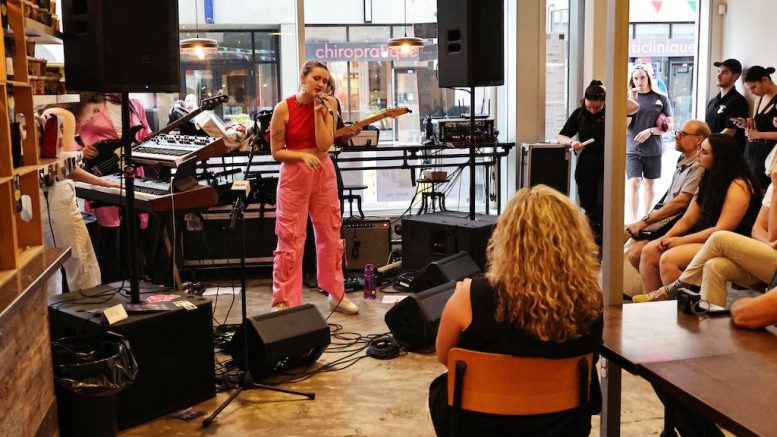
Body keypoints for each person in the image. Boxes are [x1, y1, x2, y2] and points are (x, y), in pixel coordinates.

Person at [429, 185, 603, 436]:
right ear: (575, 239)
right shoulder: (590, 298)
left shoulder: (469, 296)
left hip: (480, 426)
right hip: (561, 427)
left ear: (507, 237)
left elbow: (445, 356)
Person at [269, 60, 358, 314]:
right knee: (290, 238)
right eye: (316, 78)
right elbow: (276, 152)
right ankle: (284, 300)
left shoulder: (330, 104)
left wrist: (321, 111)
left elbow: (324, 144)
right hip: (294, 176)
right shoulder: (283, 109)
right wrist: (300, 157)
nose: (321, 84)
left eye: (325, 81)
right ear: (303, 78)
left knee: (331, 234)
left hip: (323, 171)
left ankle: (336, 294)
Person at [640, 150, 777, 307]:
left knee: (715, 239)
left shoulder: (740, 184)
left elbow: (724, 229)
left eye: (704, 152)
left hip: (744, 249)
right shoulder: (707, 179)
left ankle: (675, 288)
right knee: (713, 265)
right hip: (763, 251)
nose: (698, 154)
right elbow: (757, 228)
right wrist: (668, 237)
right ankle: (706, 322)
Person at [39, 95, 121, 293]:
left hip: (41, 198)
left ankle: (54, 317)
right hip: (57, 196)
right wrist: (104, 182)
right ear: (82, 103)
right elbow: (67, 169)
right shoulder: (65, 115)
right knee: (82, 262)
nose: (92, 118)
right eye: (93, 111)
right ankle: (89, 314)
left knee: (50, 266)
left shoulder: (47, 113)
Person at [621, 120, 708, 296]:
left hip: (676, 224)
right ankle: (631, 291)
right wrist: (645, 219)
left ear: (699, 139)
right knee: (617, 233)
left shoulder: (699, 166)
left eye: (682, 134)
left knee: (636, 252)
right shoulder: (683, 159)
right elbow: (669, 198)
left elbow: (681, 203)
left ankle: (656, 295)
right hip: (667, 220)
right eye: (677, 132)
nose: (676, 137)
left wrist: (646, 221)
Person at [77, 93, 153, 283]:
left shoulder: (134, 105)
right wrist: (79, 150)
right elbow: (70, 132)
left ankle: (135, 279)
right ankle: (110, 281)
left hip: (131, 170)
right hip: (100, 170)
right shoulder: (93, 103)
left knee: (133, 227)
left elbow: (146, 134)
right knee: (108, 232)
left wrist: (148, 143)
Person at [557, 79, 639, 244]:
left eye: (597, 107)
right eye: (589, 106)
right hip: (587, 164)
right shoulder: (579, 114)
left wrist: (608, 92)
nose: (593, 110)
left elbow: (634, 107)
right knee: (589, 207)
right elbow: (561, 136)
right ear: (584, 101)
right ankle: (591, 242)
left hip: (608, 163)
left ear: (604, 101)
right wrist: (572, 142)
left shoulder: (612, 111)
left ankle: (605, 244)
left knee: (604, 205)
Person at [302, 80, 361, 289]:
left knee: (333, 220)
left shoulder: (333, 106)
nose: (325, 90)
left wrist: (349, 134)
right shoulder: (299, 106)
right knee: (307, 225)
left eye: (328, 87)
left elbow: (337, 137)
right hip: (304, 168)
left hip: (328, 166)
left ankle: (333, 274)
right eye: (321, 85)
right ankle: (309, 270)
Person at [626, 64, 674, 223]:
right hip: (632, 148)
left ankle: (645, 218)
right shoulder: (629, 99)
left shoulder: (661, 98)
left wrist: (651, 131)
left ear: (648, 78)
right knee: (634, 182)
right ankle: (633, 221)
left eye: (642, 77)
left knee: (649, 184)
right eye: (635, 78)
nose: (639, 81)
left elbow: (670, 126)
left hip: (653, 149)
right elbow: (624, 125)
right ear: (632, 80)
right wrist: (631, 102)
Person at [739, 65, 777, 191]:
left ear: (765, 80)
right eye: (749, 89)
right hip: (752, 151)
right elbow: (757, 126)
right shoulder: (759, 99)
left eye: (754, 87)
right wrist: (747, 125)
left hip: (769, 153)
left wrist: (758, 135)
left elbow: (760, 133)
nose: (752, 92)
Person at [705, 59, 749, 153]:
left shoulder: (738, 101)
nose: (719, 75)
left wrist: (705, 144)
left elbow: (728, 134)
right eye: (718, 71)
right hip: (710, 154)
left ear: (735, 77)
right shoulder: (712, 102)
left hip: (727, 159)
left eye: (724, 72)